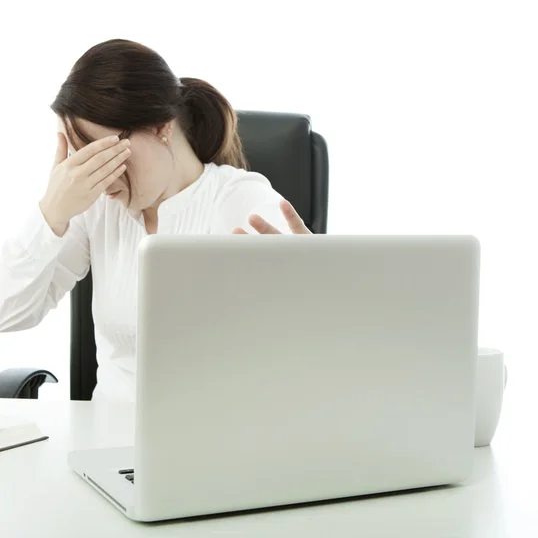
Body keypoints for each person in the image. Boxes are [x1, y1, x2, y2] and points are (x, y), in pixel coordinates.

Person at [0, 39, 311, 402]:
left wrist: (310, 283)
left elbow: (309, 339)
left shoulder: (240, 200)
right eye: (79, 158)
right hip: (105, 444)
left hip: (211, 441)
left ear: (161, 127)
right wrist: (50, 215)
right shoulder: (96, 206)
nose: (98, 177)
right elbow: (8, 313)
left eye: (102, 153)